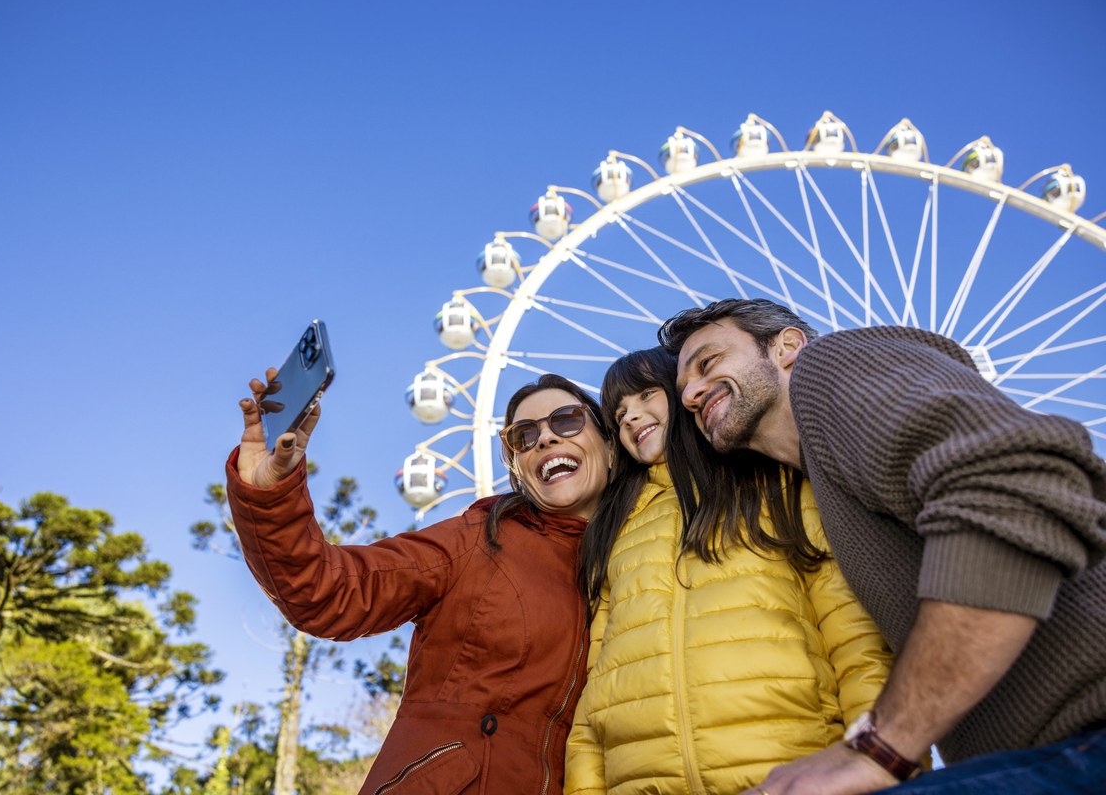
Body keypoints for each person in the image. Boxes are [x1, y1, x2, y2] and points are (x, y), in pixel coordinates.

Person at [659, 298, 1106, 794]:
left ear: (788, 346)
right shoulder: (822, 485)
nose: (693, 395)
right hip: (1031, 757)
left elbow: (1013, 483)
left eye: (708, 363)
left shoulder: (828, 366)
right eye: (684, 391)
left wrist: (880, 748)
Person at [227, 369, 612, 795]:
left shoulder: (643, 568)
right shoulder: (477, 540)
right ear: (517, 467)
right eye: (522, 436)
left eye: (567, 420)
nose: (545, 439)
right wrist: (270, 491)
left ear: (611, 447)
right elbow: (326, 590)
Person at [563, 348, 892, 795]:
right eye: (619, 414)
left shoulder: (775, 487)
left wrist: (879, 760)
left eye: (646, 395)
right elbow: (595, 686)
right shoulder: (618, 532)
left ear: (686, 395)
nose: (630, 418)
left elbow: (854, 640)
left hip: (790, 773)